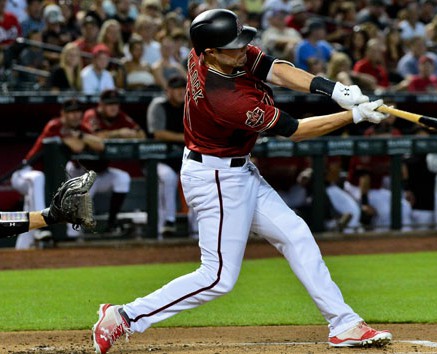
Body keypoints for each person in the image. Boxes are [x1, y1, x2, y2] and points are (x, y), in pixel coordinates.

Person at [92, 9, 392, 354]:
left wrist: (333, 88)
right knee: (217, 277)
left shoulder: (211, 52)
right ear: (210, 54)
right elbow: (295, 131)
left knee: (295, 234)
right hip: (216, 178)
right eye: (233, 46)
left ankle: (344, 324)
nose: (243, 49)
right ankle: (124, 316)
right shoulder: (226, 98)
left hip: (237, 170)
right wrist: (353, 115)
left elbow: (273, 69)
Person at [10, 98, 104, 248]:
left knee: (28, 217)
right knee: (38, 178)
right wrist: (81, 139)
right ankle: (43, 226)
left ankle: (22, 252)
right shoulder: (55, 125)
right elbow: (77, 146)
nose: (76, 116)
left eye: (78, 112)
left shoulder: (81, 128)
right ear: (63, 114)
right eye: (71, 112)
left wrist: (81, 136)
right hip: (25, 173)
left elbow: (99, 144)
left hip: (41, 183)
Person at [70, 89, 144, 234]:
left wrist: (121, 134)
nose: (113, 107)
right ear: (101, 105)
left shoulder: (120, 116)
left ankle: (112, 223)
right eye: (109, 104)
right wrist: (119, 133)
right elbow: (96, 137)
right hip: (80, 172)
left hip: (101, 172)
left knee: (122, 178)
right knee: (75, 223)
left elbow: (141, 134)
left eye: (116, 103)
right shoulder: (92, 115)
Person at [146, 75, 187, 236]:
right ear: (167, 91)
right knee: (168, 177)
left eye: (183, 88)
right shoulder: (159, 105)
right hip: (158, 158)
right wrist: (184, 137)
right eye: (176, 88)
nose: (181, 92)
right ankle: (168, 221)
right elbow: (158, 133)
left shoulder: (190, 105)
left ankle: (196, 228)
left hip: (182, 157)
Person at [0, 171, 96, 238]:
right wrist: (50, 216)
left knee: (25, 244)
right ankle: (41, 228)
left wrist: (49, 216)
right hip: (22, 173)